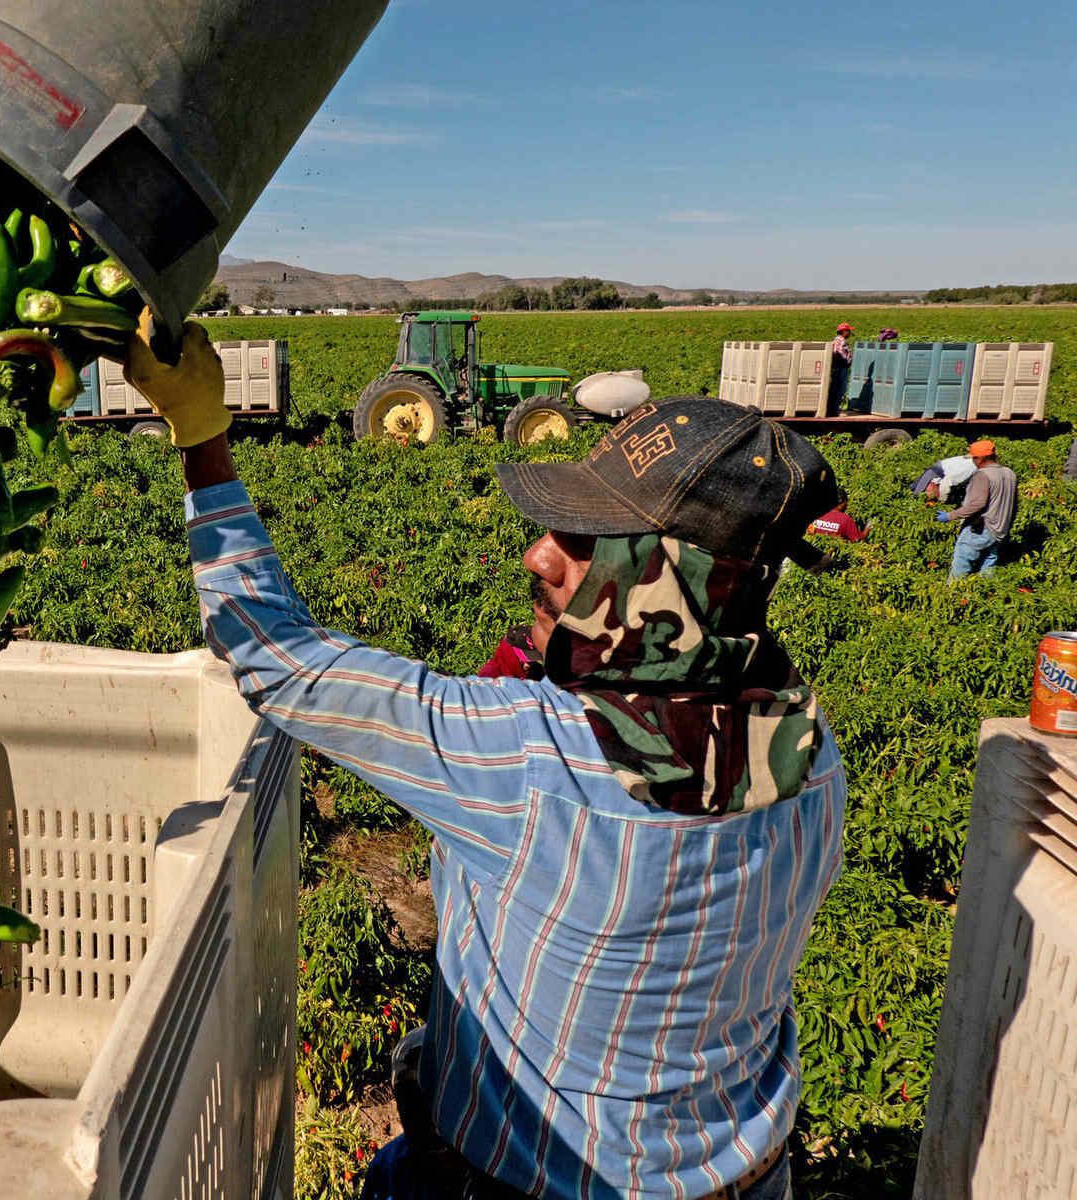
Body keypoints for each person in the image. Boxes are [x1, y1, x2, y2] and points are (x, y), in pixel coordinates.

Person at [125, 315, 845, 1200]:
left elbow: (278, 657)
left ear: (669, 582)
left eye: (589, 542)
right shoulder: (812, 750)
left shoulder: (531, 759)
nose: (539, 554)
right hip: (744, 1168)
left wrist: (202, 437)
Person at [936, 439, 1017, 578]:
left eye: (974, 458)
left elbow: (977, 504)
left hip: (981, 528)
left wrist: (950, 515)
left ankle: (954, 590)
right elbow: (1014, 504)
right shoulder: (1009, 473)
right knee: (988, 564)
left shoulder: (983, 475)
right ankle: (985, 589)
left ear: (982, 458)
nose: (973, 461)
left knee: (961, 563)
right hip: (1001, 528)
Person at [911, 453, 976, 502]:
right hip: (938, 472)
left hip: (940, 469)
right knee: (917, 495)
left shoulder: (974, 462)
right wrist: (941, 499)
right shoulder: (970, 467)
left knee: (917, 492)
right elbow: (948, 481)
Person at [827, 322, 854, 407]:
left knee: (834, 387)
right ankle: (834, 408)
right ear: (844, 331)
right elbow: (839, 354)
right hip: (841, 368)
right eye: (848, 331)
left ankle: (832, 407)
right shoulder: (841, 341)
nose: (850, 333)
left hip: (837, 367)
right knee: (840, 388)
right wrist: (847, 360)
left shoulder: (835, 340)